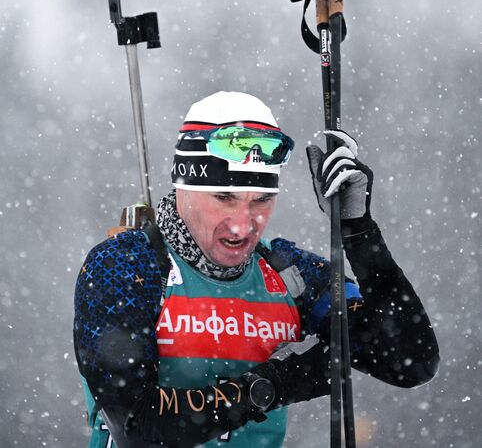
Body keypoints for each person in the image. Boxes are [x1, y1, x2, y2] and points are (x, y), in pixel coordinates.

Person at [74, 91, 439, 448]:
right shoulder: (126, 266)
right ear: (183, 188)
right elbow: (137, 427)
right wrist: (277, 384)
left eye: (261, 200)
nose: (242, 225)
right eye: (224, 199)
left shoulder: (291, 275)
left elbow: (412, 361)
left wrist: (358, 232)